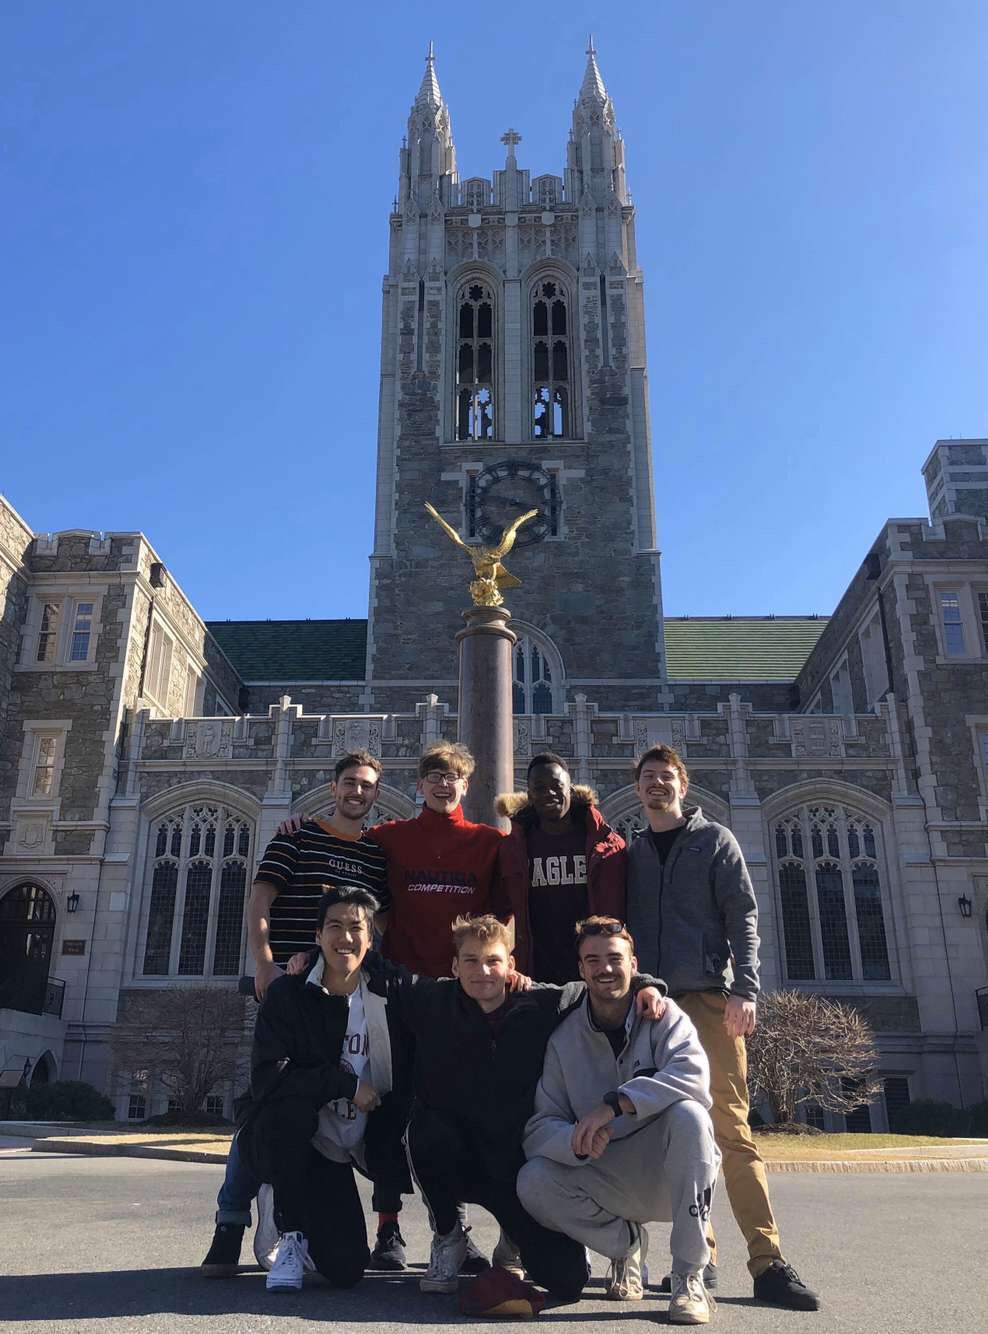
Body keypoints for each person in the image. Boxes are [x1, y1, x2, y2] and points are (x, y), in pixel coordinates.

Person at [378, 913, 667, 1317]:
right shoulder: (431, 999)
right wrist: (310, 956)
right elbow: (376, 970)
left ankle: (529, 1240)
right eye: (471, 960)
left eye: (493, 961)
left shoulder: (542, 1002)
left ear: (511, 964)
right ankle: (448, 1236)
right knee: (425, 1131)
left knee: (567, 1281)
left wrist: (646, 983)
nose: (483, 971)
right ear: (454, 966)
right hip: (458, 1156)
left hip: (517, 1170)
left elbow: (600, 983)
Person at [626, 745, 821, 1311]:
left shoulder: (715, 840)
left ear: (682, 785)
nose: (657, 784)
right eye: (648, 777)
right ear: (637, 788)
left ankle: (768, 1261)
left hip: (713, 1000)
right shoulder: (632, 852)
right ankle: (700, 1258)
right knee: (677, 1133)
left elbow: (744, 916)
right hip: (654, 1009)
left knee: (731, 1131)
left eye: (666, 776)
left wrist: (746, 990)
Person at [200, 751, 399, 1276]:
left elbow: (379, 925)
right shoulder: (297, 836)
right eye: (349, 783)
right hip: (292, 994)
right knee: (269, 1103)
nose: (357, 792)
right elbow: (260, 900)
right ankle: (230, 1223)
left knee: (325, 1103)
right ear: (333, 788)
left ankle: (330, 1217)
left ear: (377, 795)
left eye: (367, 786)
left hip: (346, 993)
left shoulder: (376, 854)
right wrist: (264, 964)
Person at [518, 917, 721, 1325]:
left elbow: (694, 1078)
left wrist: (616, 1104)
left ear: (634, 964)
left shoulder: (664, 1016)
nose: (605, 969)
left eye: (614, 958)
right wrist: (574, 1140)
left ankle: (688, 1277)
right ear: (580, 969)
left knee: (691, 1116)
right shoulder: (563, 1040)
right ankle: (626, 1246)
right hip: (604, 1172)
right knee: (532, 1180)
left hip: (666, 1174)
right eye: (593, 960)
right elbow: (540, 1127)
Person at [236, 886, 411, 1293]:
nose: (345, 937)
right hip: (294, 1136)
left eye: (356, 927)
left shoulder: (392, 989)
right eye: (334, 926)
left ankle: (299, 1206)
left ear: (371, 938)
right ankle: (289, 1228)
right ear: (317, 935)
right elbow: (269, 1078)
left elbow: (449, 996)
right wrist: (346, 1085)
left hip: (352, 1141)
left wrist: (509, 981)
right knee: (291, 1113)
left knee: (346, 1269)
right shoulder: (289, 993)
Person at [496, 752, 625, 981]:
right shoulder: (513, 848)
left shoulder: (607, 845)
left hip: (596, 972)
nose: (549, 793)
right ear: (530, 795)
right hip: (536, 973)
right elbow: (498, 911)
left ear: (570, 790)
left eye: (557, 786)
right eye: (540, 788)